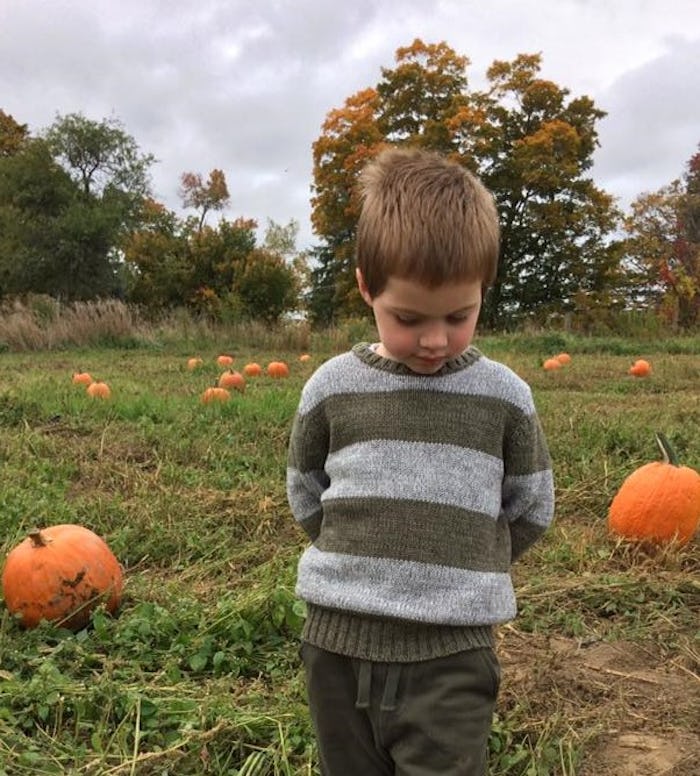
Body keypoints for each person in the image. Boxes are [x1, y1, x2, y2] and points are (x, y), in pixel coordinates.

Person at [286, 147, 555, 775]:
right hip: (335, 646)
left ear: (483, 291)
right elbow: (307, 488)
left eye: (458, 316)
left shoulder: (504, 398)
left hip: (450, 657)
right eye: (408, 318)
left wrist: (465, 558)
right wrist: (359, 550)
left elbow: (530, 505)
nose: (435, 340)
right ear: (365, 287)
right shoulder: (332, 388)